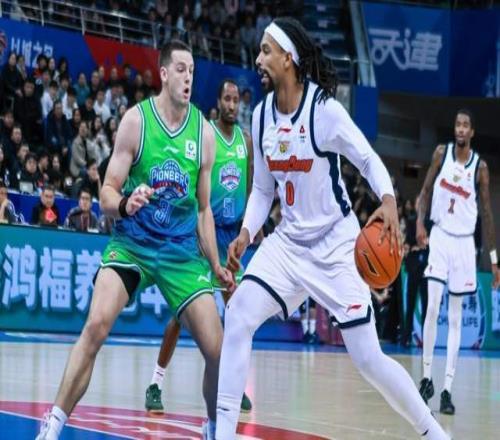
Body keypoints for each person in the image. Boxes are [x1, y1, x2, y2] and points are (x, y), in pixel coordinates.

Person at [215, 18, 450, 440]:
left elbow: (367, 159)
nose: (258, 59)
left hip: (336, 245)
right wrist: (247, 233)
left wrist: (389, 201)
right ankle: (225, 433)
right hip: (288, 244)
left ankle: (433, 433)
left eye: (266, 50)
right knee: (238, 315)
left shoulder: (323, 111)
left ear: (289, 58)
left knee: (369, 359)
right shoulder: (262, 116)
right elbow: (263, 190)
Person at [35, 39, 233, 440]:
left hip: (180, 254)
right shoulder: (136, 122)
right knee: (96, 325)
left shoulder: (204, 133)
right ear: (164, 73)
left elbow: (203, 211)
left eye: (192, 71)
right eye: (181, 69)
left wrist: (215, 264)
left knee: (218, 349)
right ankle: (52, 425)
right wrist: (126, 203)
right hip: (133, 246)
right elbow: (107, 192)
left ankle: (214, 428)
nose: (188, 78)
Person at [144, 78, 253, 415]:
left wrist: (249, 228)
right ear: (218, 101)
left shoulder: (246, 141)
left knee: (238, 315)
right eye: (227, 99)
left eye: (236, 100)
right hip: (202, 234)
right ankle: (155, 383)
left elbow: (250, 189)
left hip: (231, 239)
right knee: (180, 317)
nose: (232, 105)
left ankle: (232, 383)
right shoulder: (205, 134)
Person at [416, 109, 500, 415]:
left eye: (466, 125)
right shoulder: (441, 154)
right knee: (432, 307)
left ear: (472, 132)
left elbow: (487, 214)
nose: (461, 129)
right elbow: (425, 191)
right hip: (440, 236)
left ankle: (447, 390)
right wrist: (420, 223)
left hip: (464, 244)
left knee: (454, 317)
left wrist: (494, 260)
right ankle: (426, 379)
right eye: (457, 124)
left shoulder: (480, 168)